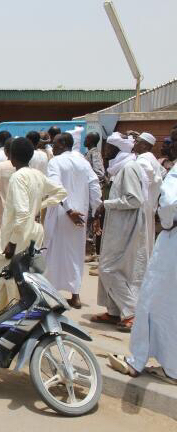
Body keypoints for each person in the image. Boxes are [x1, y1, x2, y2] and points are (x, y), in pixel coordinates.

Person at [0, 137, 66, 324]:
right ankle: (1, 316)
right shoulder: (37, 174)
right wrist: (38, 207)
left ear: (10, 156)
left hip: (17, 236)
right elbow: (61, 192)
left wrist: (12, 243)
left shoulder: (18, 177)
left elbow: (22, 215)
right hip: (32, 232)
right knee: (13, 278)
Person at [108, 144, 177, 384]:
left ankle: (138, 361)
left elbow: (168, 206)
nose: (167, 145)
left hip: (172, 242)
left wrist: (167, 222)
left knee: (151, 300)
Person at [91, 132, 148, 332]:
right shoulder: (120, 167)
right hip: (117, 224)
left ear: (118, 148)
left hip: (126, 225)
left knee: (109, 268)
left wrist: (106, 204)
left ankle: (131, 312)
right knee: (111, 266)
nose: (105, 151)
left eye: (108, 147)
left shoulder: (129, 168)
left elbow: (135, 199)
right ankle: (114, 312)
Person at [43, 132, 101, 309]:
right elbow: (95, 185)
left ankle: (49, 294)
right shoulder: (83, 163)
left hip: (62, 213)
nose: (52, 147)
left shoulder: (55, 162)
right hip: (80, 215)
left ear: (63, 145)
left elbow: (56, 186)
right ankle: (75, 295)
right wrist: (95, 211)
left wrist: (68, 210)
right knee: (75, 255)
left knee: (52, 252)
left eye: (54, 144)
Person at [134, 132, 164, 256]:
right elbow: (161, 172)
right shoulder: (151, 157)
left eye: (138, 142)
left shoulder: (144, 158)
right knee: (147, 234)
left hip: (142, 201)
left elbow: (148, 172)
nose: (135, 144)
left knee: (140, 235)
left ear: (145, 145)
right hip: (149, 202)